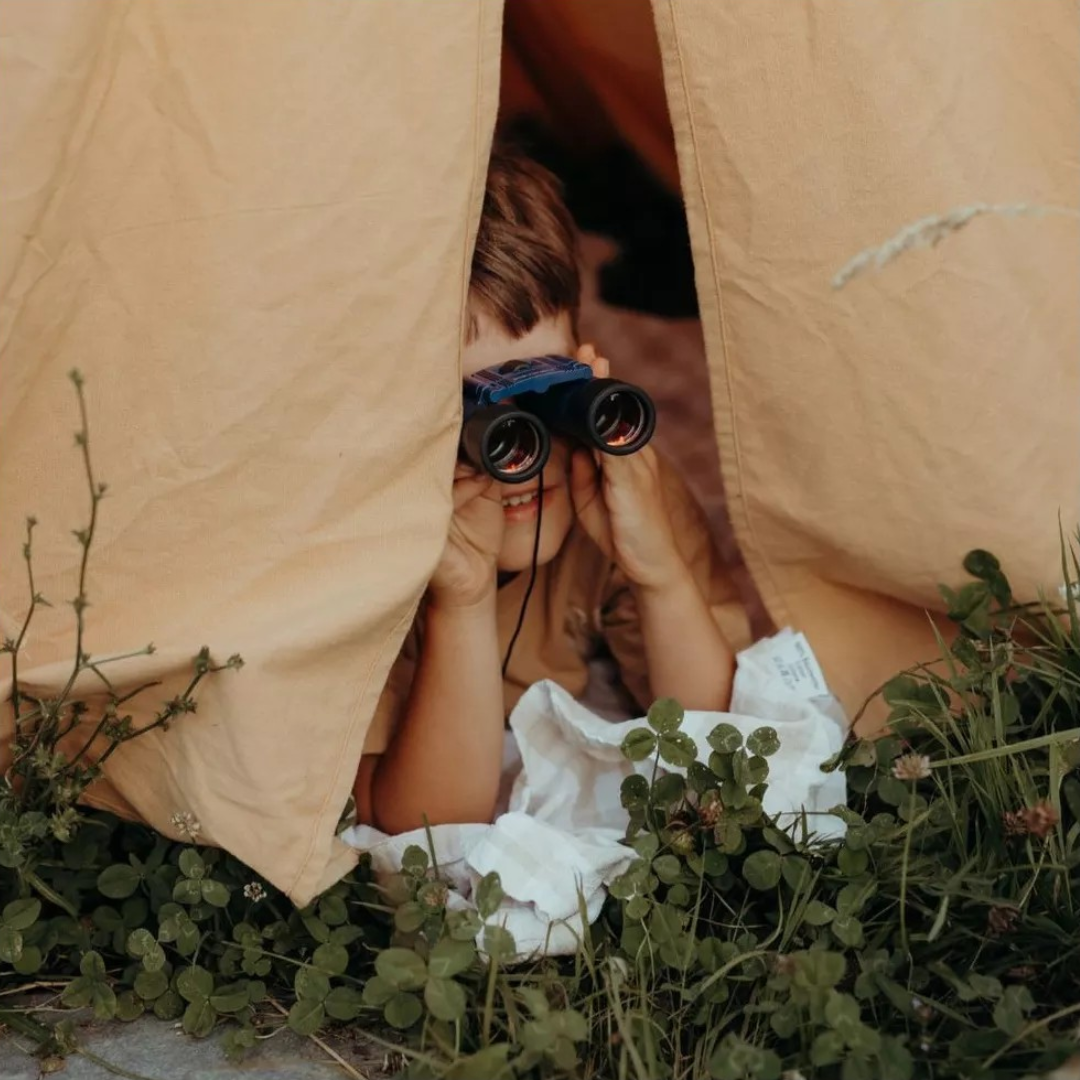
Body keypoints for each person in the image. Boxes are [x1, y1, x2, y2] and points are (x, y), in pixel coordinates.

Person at [354, 144, 747, 834]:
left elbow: (717, 747)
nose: (523, 459)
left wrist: (656, 570)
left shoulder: (618, 491)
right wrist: (463, 602)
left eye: (549, 394)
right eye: (483, 425)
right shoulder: (367, 560)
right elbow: (423, 825)